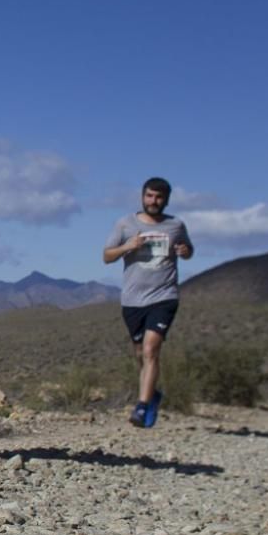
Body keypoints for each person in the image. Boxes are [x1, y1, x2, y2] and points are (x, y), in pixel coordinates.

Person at [103, 177, 193, 428]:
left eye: (159, 197)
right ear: (143, 196)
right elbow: (106, 256)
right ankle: (152, 393)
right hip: (132, 299)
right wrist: (128, 246)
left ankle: (141, 408)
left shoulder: (175, 225)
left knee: (152, 348)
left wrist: (185, 252)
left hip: (164, 297)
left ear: (166, 199)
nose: (154, 201)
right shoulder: (126, 224)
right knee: (140, 353)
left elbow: (188, 250)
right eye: (150, 196)